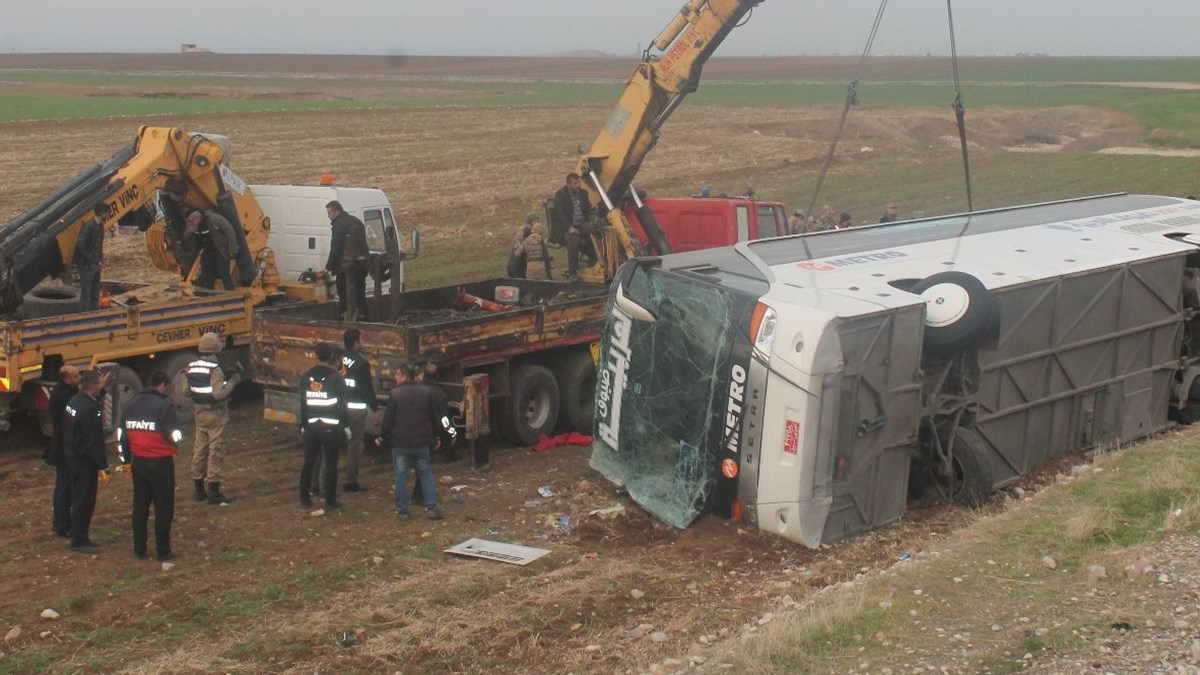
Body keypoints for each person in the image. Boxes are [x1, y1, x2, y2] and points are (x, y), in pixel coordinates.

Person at [118, 371, 184, 561]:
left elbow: (121, 435)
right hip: (161, 463)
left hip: (138, 463)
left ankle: (139, 549)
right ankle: (163, 551)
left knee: (140, 507)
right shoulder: (164, 406)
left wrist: (125, 461)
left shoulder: (129, 405)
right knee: (163, 508)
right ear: (162, 385)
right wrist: (176, 442)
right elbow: (175, 434)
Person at [377, 362, 456, 519]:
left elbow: (388, 420)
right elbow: (434, 418)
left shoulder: (396, 394)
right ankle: (431, 507)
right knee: (425, 473)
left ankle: (402, 510)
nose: (396, 377)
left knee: (400, 475)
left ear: (404, 376)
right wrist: (436, 437)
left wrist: (382, 436)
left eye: (398, 374)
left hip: (400, 443)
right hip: (422, 442)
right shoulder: (426, 392)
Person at [186, 332, 242, 505]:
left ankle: (198, 489)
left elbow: (185, 391)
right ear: (216, 349)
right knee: (215, 451)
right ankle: (214, 491)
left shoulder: (191, 367)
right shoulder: (215, 369)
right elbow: (218, 394)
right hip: (216, 414)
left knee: (199, 450)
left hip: (199, 413)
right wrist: (233, 381)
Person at [63, 369, 110, 554]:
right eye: (99, 384)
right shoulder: (89, 409)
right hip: (84, 461)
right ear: (92, 386)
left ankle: (78, 534)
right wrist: (103, 466)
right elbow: (94, 440)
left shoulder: (74, 401)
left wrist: (102, 389)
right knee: (85, 500)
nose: (101, 386)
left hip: (72, 456)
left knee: (77, 497)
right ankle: (79, 540)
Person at [299, 343, 349, 510]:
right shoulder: (336, 378)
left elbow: (303, 404)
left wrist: (304, 424)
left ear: (316, 356)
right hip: (331, 427)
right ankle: (330, 500)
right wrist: (346, 426)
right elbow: (342, 405)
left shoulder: (306, 376)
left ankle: (304, 499)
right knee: (331, 464)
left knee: (309, 463)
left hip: (312, 426)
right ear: (331, 358)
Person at [44, 364, 81, 538]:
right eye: (76, 377)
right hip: (65, 448)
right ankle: (62, 524)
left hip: (61, 447)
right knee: (65, 487)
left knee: (63, 486)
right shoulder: (65, 396)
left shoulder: (61, 392)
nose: (79, 378)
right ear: (67, 379)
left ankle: (60, 522)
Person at [341, 328, 377, 492]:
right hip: (356, 409)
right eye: (360, 340)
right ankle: (351, 481)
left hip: (338, 407)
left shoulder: (338, 358)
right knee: (355, 445)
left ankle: (320, 482)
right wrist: (374, 407)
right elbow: (367, 388)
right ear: (356, 343)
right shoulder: (362, 363)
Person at [324, 200, 370, 322]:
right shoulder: (357, 222)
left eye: (329, 213)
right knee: (360, 292)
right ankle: (363, 318)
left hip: (344, 268)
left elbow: (336, 248)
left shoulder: (338, 225)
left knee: (343, 294)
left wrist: (327, 267)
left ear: (336, 211)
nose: (328, 216)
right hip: (361, 266)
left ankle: (345, 318)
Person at [551, 173, 593, 279]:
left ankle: (594, 263)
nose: (578, 185)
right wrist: (570, 228)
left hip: (581, 224)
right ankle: (573, 272)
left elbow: (588, 210)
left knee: (596, 231)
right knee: (573, 240)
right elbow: (560, 214)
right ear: (568, 184)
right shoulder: (560, 195)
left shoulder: (583, 193)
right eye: (575, 183)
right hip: (566, 228)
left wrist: (593, 216)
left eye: (579, 182)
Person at [184, 209, 237, 291]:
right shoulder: (192, 226)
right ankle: (208, 293)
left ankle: (230, 292)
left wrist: (231, 251)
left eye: (191, 221)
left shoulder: (214, 219)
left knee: (224, 274)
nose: (189, 224)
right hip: (207, 252)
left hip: (220, 251)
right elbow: (186, 238)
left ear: (197, 219)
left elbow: (229, 230)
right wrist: (190, 231)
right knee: (207, 275)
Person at [74, 215, 104, 311]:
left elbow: (99, 245)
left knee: (95, 293)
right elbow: (81, 244)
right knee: (86, 293)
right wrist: (90, 257)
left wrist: (100, 259)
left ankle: (95, 313)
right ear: (102, 213)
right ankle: (84, 315)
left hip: (95, 264)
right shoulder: (88, 227)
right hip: (87, 265)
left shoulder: (100, 226)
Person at [506, 214, 535, 279]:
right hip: (516, 269)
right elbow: (516, 253)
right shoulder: (521, 238)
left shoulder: (521, 236)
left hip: (517, 268)